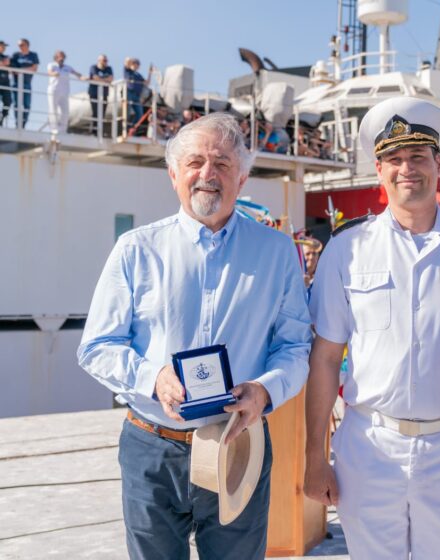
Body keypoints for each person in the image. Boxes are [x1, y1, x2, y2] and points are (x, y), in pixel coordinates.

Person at [77, 113, 312, 559]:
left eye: (222, 163)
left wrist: (265, 390)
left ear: (241, 178)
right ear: (174, 175)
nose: (208, 174)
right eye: (195, 162)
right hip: (153, 448)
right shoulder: (136, 250)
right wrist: (153, 377)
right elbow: (96, 346)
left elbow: (295, 346)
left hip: (238, 446)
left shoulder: (277, 252)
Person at [304, 97, 440, 560]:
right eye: (394, 160)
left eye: (418, 157)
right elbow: (324, 358)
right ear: (379, 171)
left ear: (439, 164)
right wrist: (314, 456)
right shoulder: (346, 250)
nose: (407, 169)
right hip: (368, 448)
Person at [46, 50, 84, 135]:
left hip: (64, 91)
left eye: (63, 56)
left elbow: (76, 73)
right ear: (56, 57)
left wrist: (82, 77)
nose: (61, 58)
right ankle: (54, 128)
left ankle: (63, 130)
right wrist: (53, 73)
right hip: (54, 90)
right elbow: (49, 72)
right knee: (53, 109)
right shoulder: (52, 65)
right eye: (59, 56)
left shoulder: (67, 67)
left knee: (65, 111)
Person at [10, 38, 39, 128]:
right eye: (19, 45)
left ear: (27, 45)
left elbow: (34, 69)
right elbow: (13, 71)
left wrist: (21, 70)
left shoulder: (33, 55)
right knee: (17, 104)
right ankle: (17, 123)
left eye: (21, 45)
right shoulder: (15, 55)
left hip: (27, 83)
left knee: (27, 104)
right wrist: (26, 70)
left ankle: (23, 122)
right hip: (16, 83)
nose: (20, 47)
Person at [123, 57, 151, 134]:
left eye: (137, 64)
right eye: (135, 64)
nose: (136, 66)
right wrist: (129, 60)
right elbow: (126, 63)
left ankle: (132, 128)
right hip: (129, 93)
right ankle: (125, 129)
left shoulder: (138, 75)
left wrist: (149, 73)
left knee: (140, 114)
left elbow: (147, 83)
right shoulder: (127, 71)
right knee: (127, 112)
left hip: (137, 96)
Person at [88, 54, 113, 132]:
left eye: (106, 60)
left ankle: (99, 131)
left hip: (104, 94)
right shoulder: (93, 67)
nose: (106, 62)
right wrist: (105, 81)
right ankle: (94, 131)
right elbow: (95, 77)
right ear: (99, 61)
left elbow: (111, 79)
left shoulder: (109, 69)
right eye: (104, 60)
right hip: (94, 93)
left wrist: (101, 80)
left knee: (102, 113)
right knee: (95, 112)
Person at [0, 41, 11, 126]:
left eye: (4, 46)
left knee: (8, 101)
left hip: (5, 83)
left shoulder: (6, 57)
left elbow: (10, 67)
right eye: (2, 46)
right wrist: (4, 64)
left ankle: (1, 118)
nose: (4, 47)